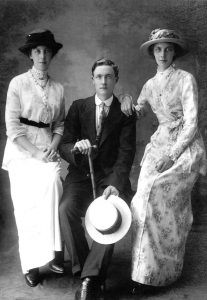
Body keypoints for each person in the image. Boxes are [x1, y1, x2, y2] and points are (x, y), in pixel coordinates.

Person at [120, 28, 207, 291]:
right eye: (158, 49)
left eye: (168, 48)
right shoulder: (149, 84)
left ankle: (164, 272)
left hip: (184, 147)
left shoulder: (185, 79)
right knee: (140, 198)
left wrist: (172, 156)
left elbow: (192, 122)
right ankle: (142, 272)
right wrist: (126, 99)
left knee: (158, 196)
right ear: (152, 53)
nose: (163, 53)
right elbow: (137, 111)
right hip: (158, 145)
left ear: (175, 52)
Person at [59, 58, 136, 300]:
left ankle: (90, 281)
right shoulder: (78, 107)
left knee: (113, 213)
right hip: (81, 176)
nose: (103, 80)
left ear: (116, 80)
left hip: (111, 179)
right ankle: (87, 271)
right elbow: (64, 144)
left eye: (108, 76)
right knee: (66, 209)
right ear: (92, 79)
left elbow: (126, 154)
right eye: (99, 76)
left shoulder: (125, 112)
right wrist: (76, 148)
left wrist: (115, 183)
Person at [2, 29, 65, 287]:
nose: (42, 55)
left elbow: (60, 124)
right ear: (30, 54)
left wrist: (52, 146)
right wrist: (36, 152)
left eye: (46, 51)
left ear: (52, 55)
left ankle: (53, 253)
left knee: (54, 185)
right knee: (26, 206)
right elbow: (13, 128)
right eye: (37, 50)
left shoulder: (59, 88)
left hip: (47, 148)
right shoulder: (17, 83)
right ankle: (30, 264)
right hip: (22, 151)